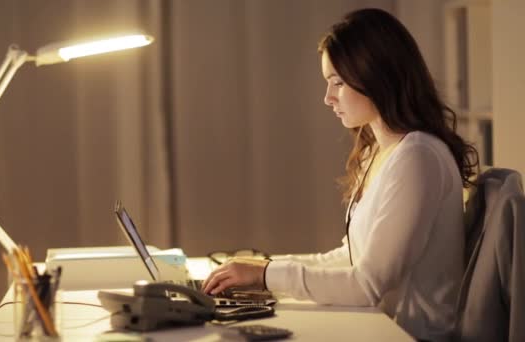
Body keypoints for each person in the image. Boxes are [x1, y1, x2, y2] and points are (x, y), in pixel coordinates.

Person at [202, 8, 479, 341]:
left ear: (377, 77)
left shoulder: (418, 158)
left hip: (408, 334)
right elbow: (351, 257)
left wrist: (266, 275)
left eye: (338, 83)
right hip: (382, 327)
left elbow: (366, 284)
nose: (328, 97)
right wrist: (262, 269)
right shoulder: (381, 150)